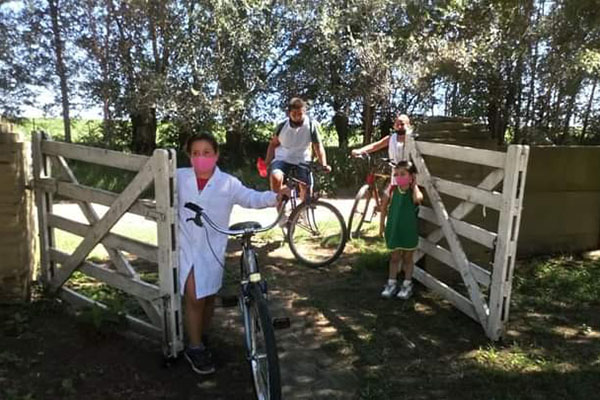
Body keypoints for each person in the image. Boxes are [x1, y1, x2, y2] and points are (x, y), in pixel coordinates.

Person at [177, 133, 288, 375]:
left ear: (216, 155)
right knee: (194, 296)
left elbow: (251, 197)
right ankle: (194, 347)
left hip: (213, 247)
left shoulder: (227, 183)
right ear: (189, 156)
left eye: (207, 152)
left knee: (207, 298)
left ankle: (203, 336)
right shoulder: (178, 178)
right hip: (185, 246)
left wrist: (275, 197)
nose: (201, 158)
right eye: (195, 153)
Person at [350, 114, 413, 236]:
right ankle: (381, 231)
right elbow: (375, 145)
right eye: (398, 123)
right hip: (395, 172)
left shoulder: (411, 139)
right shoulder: (391, 138)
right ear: (394, 125)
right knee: (385, 200)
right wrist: (360, 151)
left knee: (403, 202)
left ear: (408, 125)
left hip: (408, 174)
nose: (400, 126)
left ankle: (401, 230)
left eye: (403, 123)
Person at [265, 97, 331, 201]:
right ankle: (283, 204)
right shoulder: (282, 126)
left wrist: (323, 164)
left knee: (306, 187)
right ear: (289, 113)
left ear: (304, 112)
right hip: (283, 158)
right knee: (276, 178)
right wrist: (267, 162)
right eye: (294, 114)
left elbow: (318, 146)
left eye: (300, 114)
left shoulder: (310, 125)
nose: (297, 117)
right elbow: (273, 144)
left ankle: (302, 212)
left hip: (302, 159)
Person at [381, 160, 423, 299]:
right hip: (394, 229)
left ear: (411, 176)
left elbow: (418, 199)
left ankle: (407, 284)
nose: (399, 177)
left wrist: (415, 185)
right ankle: (391, 283)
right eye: (396, 174)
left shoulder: (413, 192)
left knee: (407, 258)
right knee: (394, 258)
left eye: (403, 174)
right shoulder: (392, 189)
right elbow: (383, 207)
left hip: (408, 231)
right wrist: (382, 225)